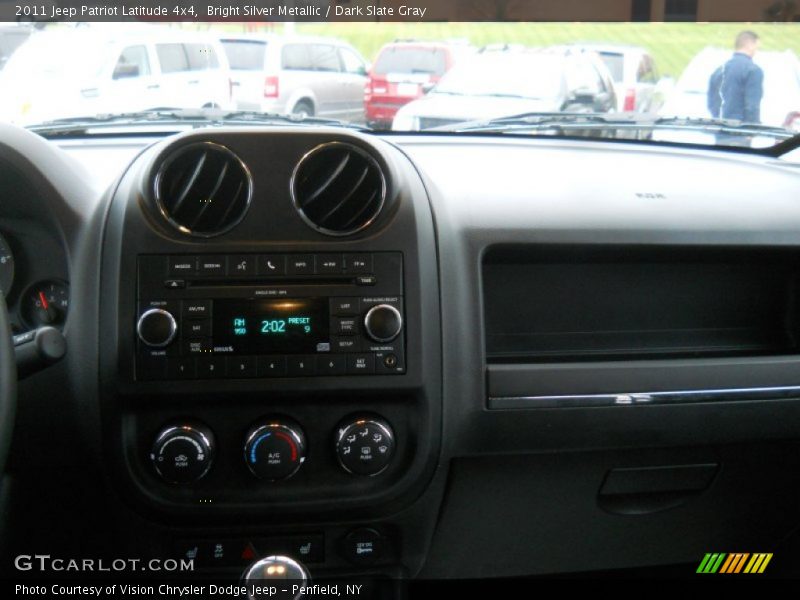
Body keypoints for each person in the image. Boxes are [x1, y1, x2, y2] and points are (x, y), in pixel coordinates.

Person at [707, 31, 764, 123]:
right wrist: (751, 131)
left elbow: (712, 103)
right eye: (756, 47)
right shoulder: (753, 71)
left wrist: (719, 120)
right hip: (741, 132)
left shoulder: (718, 71)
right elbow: (752, 106)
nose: (756, 51)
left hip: (720, 131)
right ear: (750, 45)